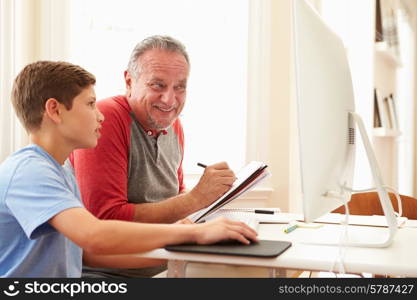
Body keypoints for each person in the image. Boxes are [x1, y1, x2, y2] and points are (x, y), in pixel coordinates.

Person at [0, 61, 257, 278]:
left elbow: (89, 254)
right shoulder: (29, 170)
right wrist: (194, 233)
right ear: (54, 110)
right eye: (90, 104)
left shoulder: (60, 172)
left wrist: (186, 249)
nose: (99, 115)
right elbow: (93, 236)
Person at [70, 36, 239, 277]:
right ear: (129, 81)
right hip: (108, 276)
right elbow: (105, 219)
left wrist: (210, 201)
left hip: (168, 265)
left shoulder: (174, 125)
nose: (170, 100)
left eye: (180, 87)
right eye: (158, 85)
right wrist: (194, 199)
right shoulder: (106, 119)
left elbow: (174, 199)